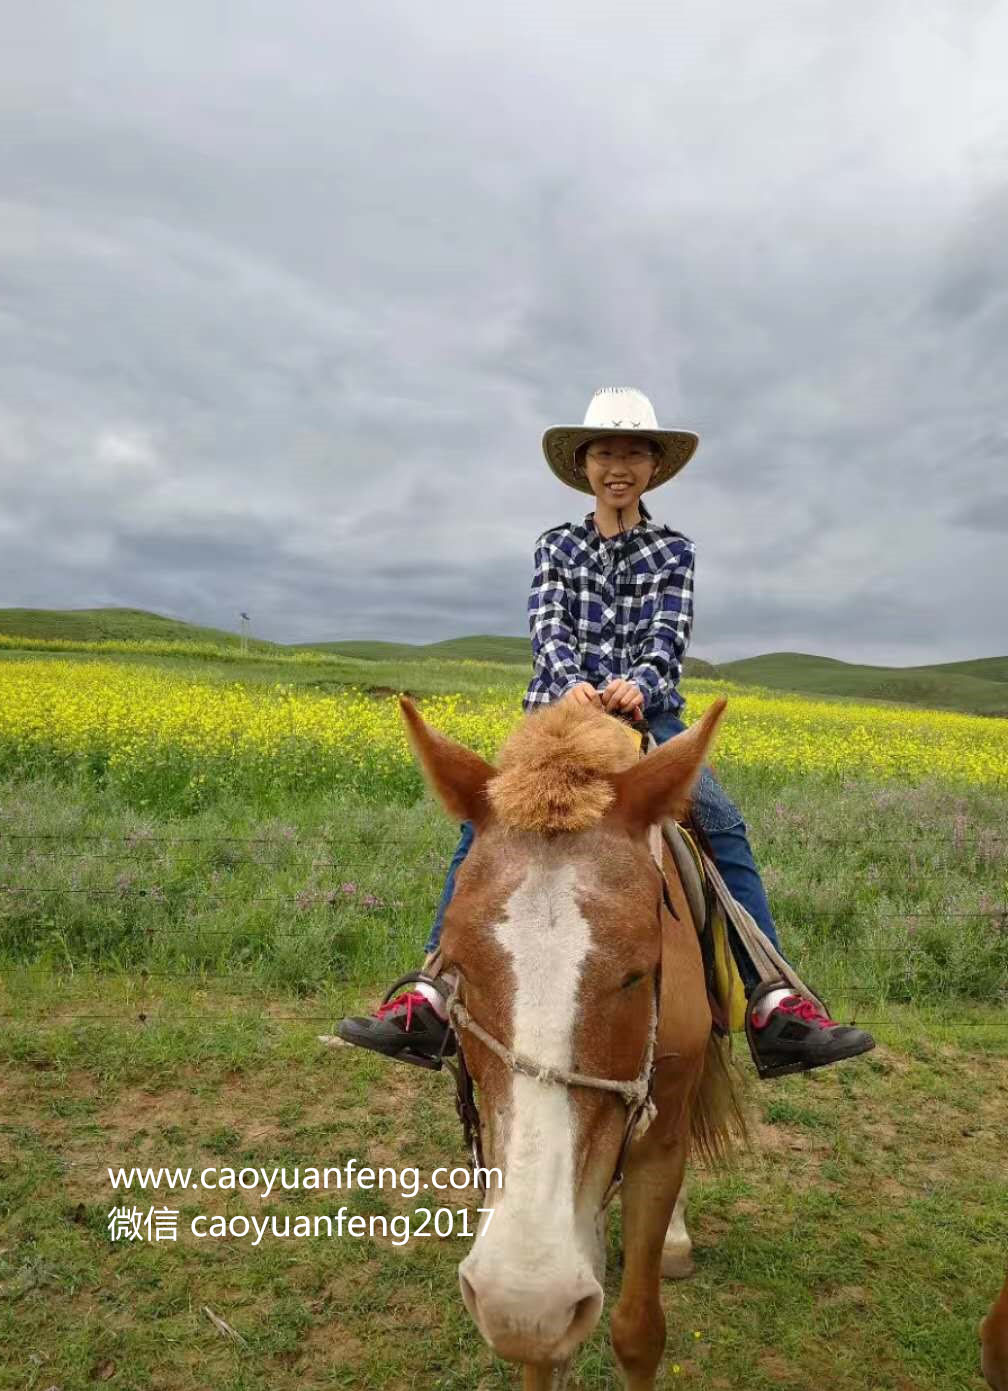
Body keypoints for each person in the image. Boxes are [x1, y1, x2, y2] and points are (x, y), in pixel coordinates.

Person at [337, 386, 876, 1079]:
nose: (617, 466)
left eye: (632, 453)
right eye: (604, 453)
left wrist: (642, 682)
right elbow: (547, 629)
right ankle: (430, 993)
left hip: (644, 723)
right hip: (559, 722)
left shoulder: (673, 550)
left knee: (722, 821)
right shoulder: (554, 546)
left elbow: (668, 635)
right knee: (482, 825)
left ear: (653, 467)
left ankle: (776, 1002)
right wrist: (572, 681)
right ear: (584, 465)